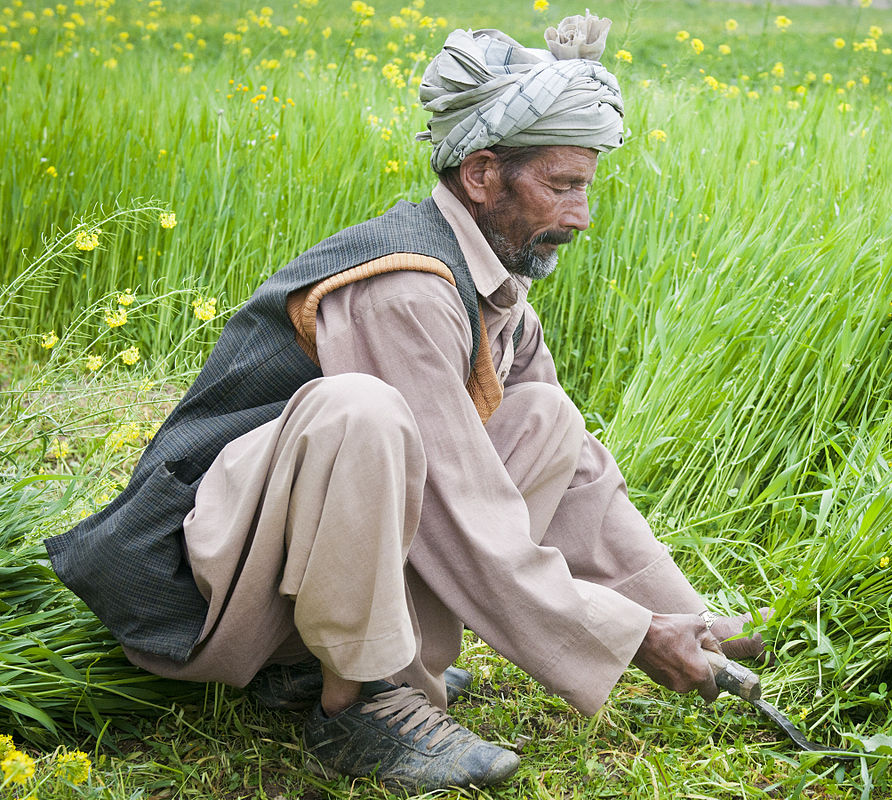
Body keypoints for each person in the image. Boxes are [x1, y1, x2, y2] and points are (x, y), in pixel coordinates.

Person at [45, 13, 766, 792]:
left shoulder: (495, 285)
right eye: (562, 186)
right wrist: (628, 636)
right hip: (205, 581)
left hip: (301, 567)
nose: (580, 215)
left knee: (548, 420)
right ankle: (359, 701)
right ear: (483, 174)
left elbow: (580, 474)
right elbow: (460, 506)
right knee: (360, 412)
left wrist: (686, 616)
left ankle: (333, 663)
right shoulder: (404, 287)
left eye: (585, 187)